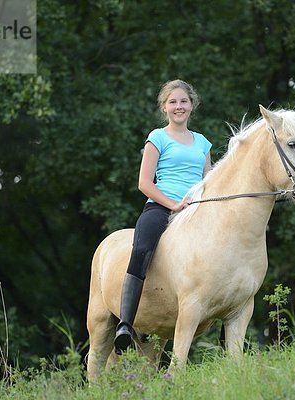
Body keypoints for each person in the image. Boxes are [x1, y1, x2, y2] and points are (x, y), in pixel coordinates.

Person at [114, 79, 212, 353]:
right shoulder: (157, 138)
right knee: (142, 248)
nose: (178, 106)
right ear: (164, 107)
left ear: (192, 105)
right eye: (173, 102)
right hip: (160, 207)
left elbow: (208, 181)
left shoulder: (203, 143)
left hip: (195, 211)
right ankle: (124, 323)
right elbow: (144, 183)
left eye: (183, 101)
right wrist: (173, 204)